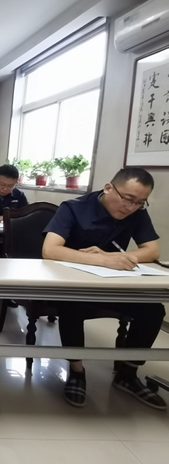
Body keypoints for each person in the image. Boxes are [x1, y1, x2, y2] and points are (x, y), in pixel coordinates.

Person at [42, 167, 166, 410]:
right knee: (71, 308)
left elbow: (152, 251)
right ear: (109, 188)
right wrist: (102, 260)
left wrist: (113, 257)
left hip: (113, 285)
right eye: (128, 198)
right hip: (73, 286)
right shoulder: (74, 208)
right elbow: (50, 249)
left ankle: (127, 373)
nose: (131, 207)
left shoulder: (137, 213)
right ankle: (77, 371)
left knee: (153, 311)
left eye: (139, 202)